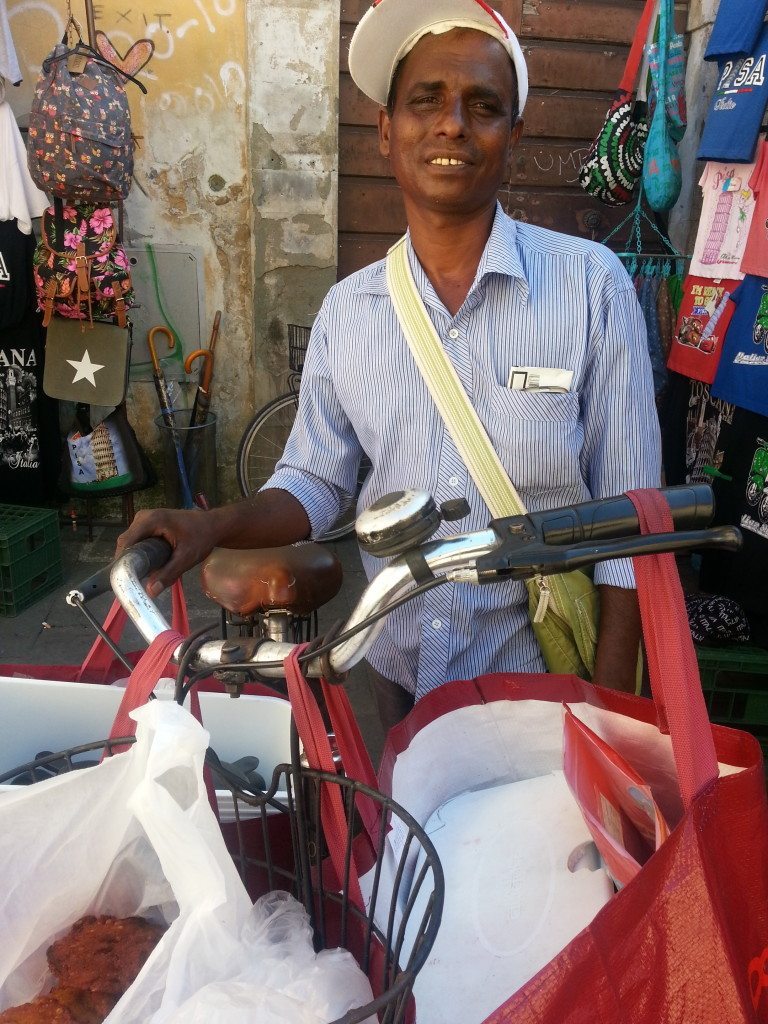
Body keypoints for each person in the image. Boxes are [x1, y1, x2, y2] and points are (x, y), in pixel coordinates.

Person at [117, 0, 661, 730]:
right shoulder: (349, 312)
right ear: (384, 131)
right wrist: (213, 526)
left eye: (483, 106)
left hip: (544, 684)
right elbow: (313, 481)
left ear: (514, 135)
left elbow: (634, 524)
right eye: (424, 102)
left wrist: (613, 717)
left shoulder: (593, 287)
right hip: (397, 670)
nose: (451, 125)